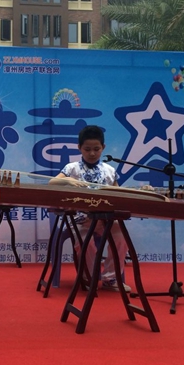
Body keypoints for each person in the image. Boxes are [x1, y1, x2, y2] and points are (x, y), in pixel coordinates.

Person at [50, 124, 131, 292]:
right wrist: (67, 180)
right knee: (85, 242)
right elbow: (52, 183)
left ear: (103, 147)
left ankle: (110, 278)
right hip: (80, 219)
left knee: (121, 237)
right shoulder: (71, 168)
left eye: (96, 149)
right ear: (79, 148)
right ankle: (88, 277)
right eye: (87, 149)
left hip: (105, 218)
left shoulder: (109, 170)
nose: (92, 153)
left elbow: (118, 194)